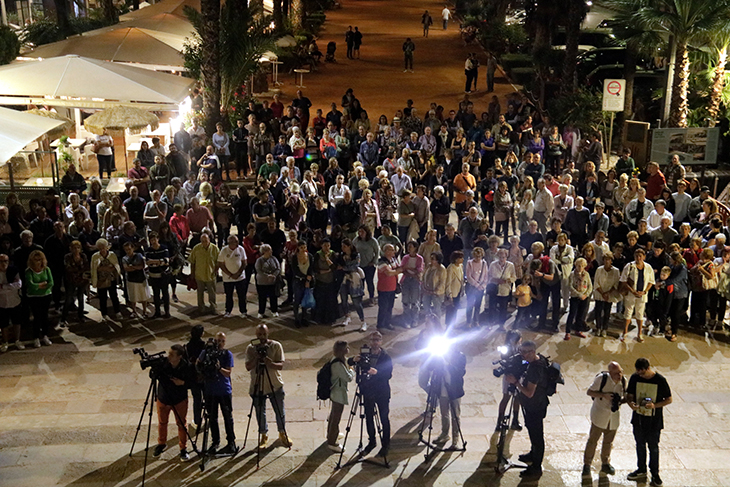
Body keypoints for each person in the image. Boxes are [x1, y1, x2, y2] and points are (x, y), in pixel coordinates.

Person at [505, 340, 550, 479]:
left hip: (535, 406)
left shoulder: (535, 369)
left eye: (524, 352)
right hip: (533, 405)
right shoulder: (539, 360)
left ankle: (536, 467)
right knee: (532, 432)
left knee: (537, 436)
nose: (522, 355)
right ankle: (533, 454)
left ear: (532, 352)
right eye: (520, 351)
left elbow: (529, 392)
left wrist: (516, 382)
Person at [625, 357, 672, 487]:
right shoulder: (635, 378)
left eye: (642, 372)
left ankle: (655, 473)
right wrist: (631, 404)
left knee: (653, 448)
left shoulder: (660, 380)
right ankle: (641, 469)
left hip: (654, 421)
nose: (639, 375)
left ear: (648, 368)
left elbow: (669, 399)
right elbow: (629, 395)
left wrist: (655, 406)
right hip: (639, 419)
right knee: (640, 445)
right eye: (638, 372)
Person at [418, 328, 466, 449]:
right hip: (442, 388)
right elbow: (431, 367)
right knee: (444, 413)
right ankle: (445, 434)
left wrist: (447, 364)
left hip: (454, 390)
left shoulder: (460, 356)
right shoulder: (439, 356)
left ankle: (456, 440)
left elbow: (460, 372)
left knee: (455, 415)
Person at [245, 324, 291, 448]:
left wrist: (269, 362)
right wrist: (257, 357)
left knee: (279, 411)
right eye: (259, 334)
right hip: (257, 385)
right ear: (256, 335)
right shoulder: (251, 348)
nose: (262, 337)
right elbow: (248, 366)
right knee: (260, 412)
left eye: (264, 334)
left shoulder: (276, 346)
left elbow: (280, 365)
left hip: (274, 384)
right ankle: (263, 435)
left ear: (268, 334)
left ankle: (282, 433)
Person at [349, 331, 393, 457]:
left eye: (377, 340)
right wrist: (354, 359)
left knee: (384, 418)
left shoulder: (385, 357)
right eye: (372, 340)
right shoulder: (364, 354)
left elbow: (389, 374)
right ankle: (371, 441)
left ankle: (385, 444)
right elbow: (350, 362)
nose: (374, 342)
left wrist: (377, 372)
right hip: (367, 390)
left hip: (382, 391)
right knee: (368, 417)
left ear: (381, 342)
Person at [582, 361, 626, 477]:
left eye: (621, 372)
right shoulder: (602, 379)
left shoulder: (623, 381)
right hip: (600, 415)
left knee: (608, 442)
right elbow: (589, 392)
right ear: (610, 372)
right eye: (616, 373)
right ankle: (587, 464)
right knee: (592, 441)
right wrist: (604, 395)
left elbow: (624, 397)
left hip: (613, 417)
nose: (619, 375)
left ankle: (605, 463)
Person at [154, 344, 196, 461]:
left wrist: (182, 383)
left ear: (179, 357)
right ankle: (161, 443)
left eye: (172, 354)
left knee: (182, 424)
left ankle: (183, 448)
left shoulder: (187, 367)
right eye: (169, 353)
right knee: (162, 422)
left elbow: (193, 382)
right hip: (163, 399)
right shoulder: (163, 364)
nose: (169, 356)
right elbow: (153, 375)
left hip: (179, 400)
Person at [197, 332, 237, 455]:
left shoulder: (227, 354)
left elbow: (228, 373)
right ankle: (215, 442)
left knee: (227, 417)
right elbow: (197, 365)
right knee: (212, 418)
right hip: (210, 390)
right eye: (217, 340)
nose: (219, 343)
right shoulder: (206, 352)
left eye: (222, 341)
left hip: (224, 390)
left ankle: (231, 441)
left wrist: (219, 368)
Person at [620, 248, 655, 342]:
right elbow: (623, 280)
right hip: (631, 294)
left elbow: (651, 281)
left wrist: (644, 291)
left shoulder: (648, 267)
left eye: (640, 256)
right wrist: (632, 291)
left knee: (640, 314)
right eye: (637, 256)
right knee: (628, 313)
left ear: (644, 257)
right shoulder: (629, 266)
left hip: (642, 295)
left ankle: (639, 334)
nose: (638, 258)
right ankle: (625, 332)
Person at [327, 340, 355, 452]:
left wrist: (352, 360)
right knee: (336, 417)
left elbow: (345, 362)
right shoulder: (338, 364)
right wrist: (352, 370)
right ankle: (332, 442)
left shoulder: (336, 359)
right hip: (338, 394)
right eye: (346, 347)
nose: (348, 348)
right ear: (342, 350)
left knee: (333, 414)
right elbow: (348, 377)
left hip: (335, 392)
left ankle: (331, 434)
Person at [25, 250, 53, 348]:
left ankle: (45, 335)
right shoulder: (29, 271)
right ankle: (36, 337)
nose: (38, 262)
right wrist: (41, 284)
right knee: (37, 317)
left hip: (46, 296)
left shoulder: (46, 269)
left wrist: (39, 286)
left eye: (40, 260)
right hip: (34, 297)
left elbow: (50, 283)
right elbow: (31, 285)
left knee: (45, 316)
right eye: (36, 260)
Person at [188, 232, 220, 314]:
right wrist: (192, 274)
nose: (204, 243)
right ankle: (201, 307)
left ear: (209, 240)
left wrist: (216, 271)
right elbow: (192, 262)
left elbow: (218, 262)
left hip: (211, 274)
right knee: (200, 293)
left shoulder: (215, 249)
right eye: (202, 241)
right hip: (199, 274)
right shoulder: (196, 248)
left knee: (212, 292)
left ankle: (213, 307)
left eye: (206, 241)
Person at [218, 235, 247, 318]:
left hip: (240, 278)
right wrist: (230, 274)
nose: (238, 243)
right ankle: (228, 311)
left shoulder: (241, 249)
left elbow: (244, 262)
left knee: (241, 295)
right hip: (228, 279)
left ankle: (243, 311)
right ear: (230, 243)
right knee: (229, 295)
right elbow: (221, 264)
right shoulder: (224, 251)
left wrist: (238, 273)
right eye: (235, 242)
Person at [0, 253, 24, 352]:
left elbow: (18, 284)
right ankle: (5, 342)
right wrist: (10, 287)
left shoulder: (14, 270)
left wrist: (3, 287)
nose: (3, 263)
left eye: (5, 261)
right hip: (1, 303)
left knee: (17, 322)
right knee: (3, 324)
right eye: (1, 261)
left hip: (15, 301)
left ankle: (17, 340)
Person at [565, 257, 592, 340]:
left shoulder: (586, 274)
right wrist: (579, 294)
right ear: (575, 265)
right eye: (578, 266)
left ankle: (578, 330)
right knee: (572, 314)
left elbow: (590, 286)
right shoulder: (572, 274)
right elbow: (570, 286)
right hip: (575, 297)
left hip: (584, 297)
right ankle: (567, 332)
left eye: (582, 266)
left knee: (581, 315)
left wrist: (586, 294)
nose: (580, 268)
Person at [377, 244, 401, 331]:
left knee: (389, 307)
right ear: (386, 251)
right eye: (391, 250)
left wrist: (397, 270)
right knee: (383, 308)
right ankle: (380, 325)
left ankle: (387, 323)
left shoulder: (393, 260)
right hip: (384, 288)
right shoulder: (381, 261)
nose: (394, 251)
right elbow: (389, 273)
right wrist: (398, 271)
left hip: (392, 288)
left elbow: (397, 268)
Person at [255, 243, 281, 318]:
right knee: (262, 298)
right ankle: (261, 312)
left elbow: (278, 268)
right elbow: (258, 270)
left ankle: (274, 310)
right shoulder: (259, 260)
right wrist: (267, 276)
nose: (271, 252)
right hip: (262, 282)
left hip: (272, 282)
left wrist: (274, 275)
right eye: (269, 250)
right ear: (265, 251)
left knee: (273, 297)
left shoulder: (273, 258)